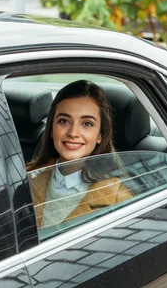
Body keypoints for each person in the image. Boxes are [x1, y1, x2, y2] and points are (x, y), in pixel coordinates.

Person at [26, 80, 132, 229]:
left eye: (87, 123)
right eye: (64, 121)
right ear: (51, 129)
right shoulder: (27, 177)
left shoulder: (118, 197)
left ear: (100, 135)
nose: (73, 133)